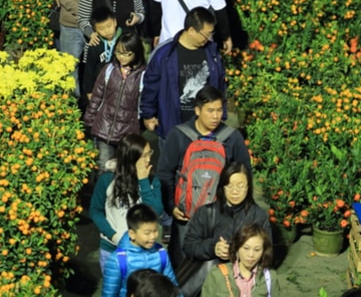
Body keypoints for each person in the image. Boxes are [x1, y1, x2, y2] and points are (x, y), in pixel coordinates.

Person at [156, 85, 251, 266]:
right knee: (182, 265)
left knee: (215, 267)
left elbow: (245, 174)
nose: (216, 116)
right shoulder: (178, 135)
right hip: (185, 215)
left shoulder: (232, 137)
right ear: (197, 110)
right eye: (210, 111)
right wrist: (170, 206)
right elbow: (164, 173)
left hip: (221, 215)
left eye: (219, 110)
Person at [180, 162, 272, 294]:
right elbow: (188, 245)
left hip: (245, 285)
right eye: (229, 186)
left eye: (241, 186)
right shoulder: (206, 213)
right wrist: (213, 248)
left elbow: (268, 253)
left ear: (248, 187)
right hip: (210, 284)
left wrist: (243, 253)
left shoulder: (259, 216)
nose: (235, 191)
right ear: (222, 187)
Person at [140, 8, 226, 139]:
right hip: (173, 127)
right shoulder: (164, 54)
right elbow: (151, 85)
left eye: (211, 34)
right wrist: (148, 114)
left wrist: (221, 114)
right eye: (206, 35)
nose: (208, 38)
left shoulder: (212, 53)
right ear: (191, 30)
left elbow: (220, 85)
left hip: (205, 129)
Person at [90, 134, 163, 270]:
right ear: (131, 158)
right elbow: (95, 210)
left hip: (144, 252)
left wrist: (143, 181)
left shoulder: (153, 181)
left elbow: (156, 212)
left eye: (149, 153)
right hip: (112, 250)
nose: (148, 159)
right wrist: (113, 235)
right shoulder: (107, 180)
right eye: (144, 156)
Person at [84, 36, 147, 165]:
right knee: (103, 168)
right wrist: (89, 119)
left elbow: (143, 104)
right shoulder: (109, 69)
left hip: (127, 133)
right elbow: (97, 96)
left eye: (126, 53)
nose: (121, 57)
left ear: (136, 52)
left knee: (124, 169)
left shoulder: (143, 75)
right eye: (118, 52)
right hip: (104, 128)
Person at [102, 203, 179, 297]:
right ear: (132, 234)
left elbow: (172, 286)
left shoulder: (161, 253)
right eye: (147, 233)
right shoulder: (117, 260)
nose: (153, 237)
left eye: (155, 231)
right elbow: (109, 294)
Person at [201, 224, 283, 297]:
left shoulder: (269, 277)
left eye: (257, 250)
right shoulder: (217, 275)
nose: (251, 255)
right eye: (246, 248)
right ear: (237, 248)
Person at [80, 6, 120, 99]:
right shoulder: (95, 45)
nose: (106, 31)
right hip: (101, 87)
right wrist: (89, 91)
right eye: (101, 28)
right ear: (95, 29)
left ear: (115, 22)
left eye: (109, 26)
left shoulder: (123, 39)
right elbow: (89, 70)